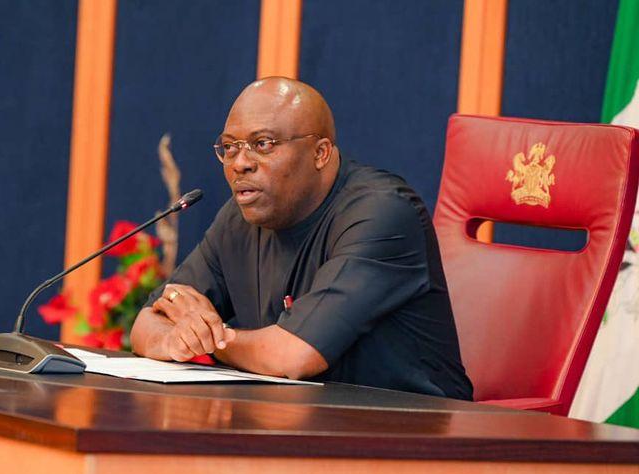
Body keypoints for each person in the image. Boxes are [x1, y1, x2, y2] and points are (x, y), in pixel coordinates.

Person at [130, 77, 473, 400]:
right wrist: (173, 339)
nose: (240, 163)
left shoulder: (382, 213)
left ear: (320, 153)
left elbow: (294, 356)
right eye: (230, 147)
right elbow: (148, 321)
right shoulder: (241, 216)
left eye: (262, 144)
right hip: (300, 423)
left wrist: (208, 338)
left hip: (410, 434)